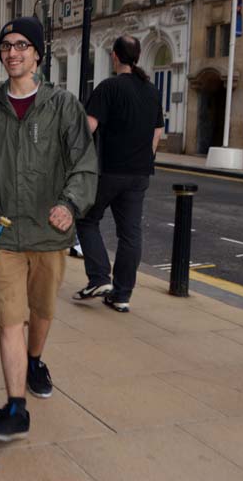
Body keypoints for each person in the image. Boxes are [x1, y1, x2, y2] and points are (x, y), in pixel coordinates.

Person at [0, 17, 97, 442]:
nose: (12, 53)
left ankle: (35, 360)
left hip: (50, 235)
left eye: (21, 45)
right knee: (9, 318)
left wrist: (70, 205)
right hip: (4, 233)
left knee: (43, 312)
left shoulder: (63, 106)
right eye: (6, 46)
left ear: (37, 53)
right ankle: (16, 406)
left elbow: (84, 162)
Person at [73, 35, 165, 313]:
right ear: (135, 57)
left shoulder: (108, 87)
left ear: (114, 56)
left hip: (109, 170)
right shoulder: (150, 90)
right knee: (130, 234)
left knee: (86, 218)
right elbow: (157, 132)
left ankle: (100, 278)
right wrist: (145, 157)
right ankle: (122, 295)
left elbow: (88, 127)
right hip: (139, 173)